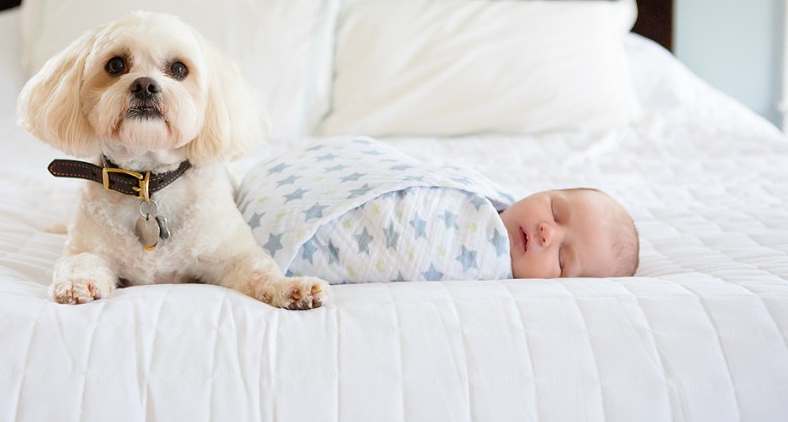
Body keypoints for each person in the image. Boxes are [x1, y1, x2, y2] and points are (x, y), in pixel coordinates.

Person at [237, 136, 638, 283]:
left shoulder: (484, 264)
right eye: (555, 209)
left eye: (563, 259)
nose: (550, 232)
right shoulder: (485, 194)